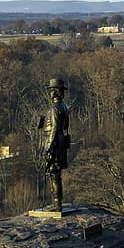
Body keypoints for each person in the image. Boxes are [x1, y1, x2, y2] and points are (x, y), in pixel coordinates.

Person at [39, 78, 70, 212]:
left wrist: (48, 147)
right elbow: (65, 126)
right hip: (60, 142)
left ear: (57, 92)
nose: (50, 93)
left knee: (54, 174)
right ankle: (57, 204)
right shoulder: (64, 106)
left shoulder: (55, 108)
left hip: (54, 143)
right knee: (55, 174)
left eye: (52, 90)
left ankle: (57, 204)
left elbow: (55, 128)